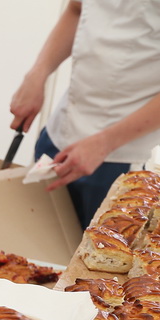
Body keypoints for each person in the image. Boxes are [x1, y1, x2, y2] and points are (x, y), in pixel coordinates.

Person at [9, 0, 160, 229]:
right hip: (59, 137)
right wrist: (38, 74)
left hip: (123, 161)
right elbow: (76, 8)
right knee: (31, 246)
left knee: (92, 260)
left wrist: (105, 142)